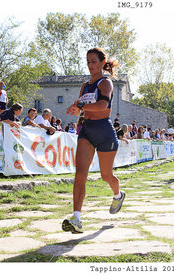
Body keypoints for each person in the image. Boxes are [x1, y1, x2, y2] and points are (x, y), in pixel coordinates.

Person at [63, 47, 124, 234]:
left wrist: (80, 106)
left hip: (104, 132)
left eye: (94, 61)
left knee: (106, 176)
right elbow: (82, 106)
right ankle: (77, 218)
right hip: (87, 130)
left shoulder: (106, 83)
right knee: (80, 174)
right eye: (88, 61)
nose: (90, 65)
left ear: (101, 62)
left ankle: (118, 194)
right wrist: (75, 108)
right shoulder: (85, 85)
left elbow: (102, 106)